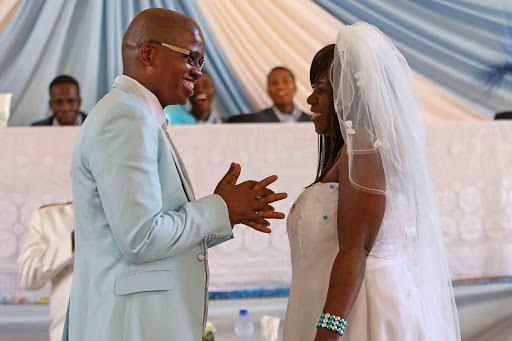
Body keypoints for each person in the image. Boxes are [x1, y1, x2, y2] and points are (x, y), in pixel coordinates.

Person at [63, 9, 286, 341]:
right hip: (129, 325)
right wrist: (219, 208)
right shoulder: (125, 118)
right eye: (192, 58)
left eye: (201, 63)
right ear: (149, 53)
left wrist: (228, 211)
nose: (197, 73)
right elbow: (142, 238)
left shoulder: (136, 115)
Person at [284, 23, 460, 340]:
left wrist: (328, 332)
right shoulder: (351, 153)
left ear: (350, 96)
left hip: (363, 314)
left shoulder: (364, 150)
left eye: (322, 90)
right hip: (336, 304)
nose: (310, 99)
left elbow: (356, 250)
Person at [18, 202, 74, 341]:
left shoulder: (132, 217)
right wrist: (71, 243)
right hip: (66, 333)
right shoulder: (49, 218)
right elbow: (27, 278)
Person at [228, 66, 310, 123]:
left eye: (286, 81)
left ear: (295, 88)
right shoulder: (256, 121)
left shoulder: (313, 122)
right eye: (274, 83)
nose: (280, 87)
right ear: (268, 91)